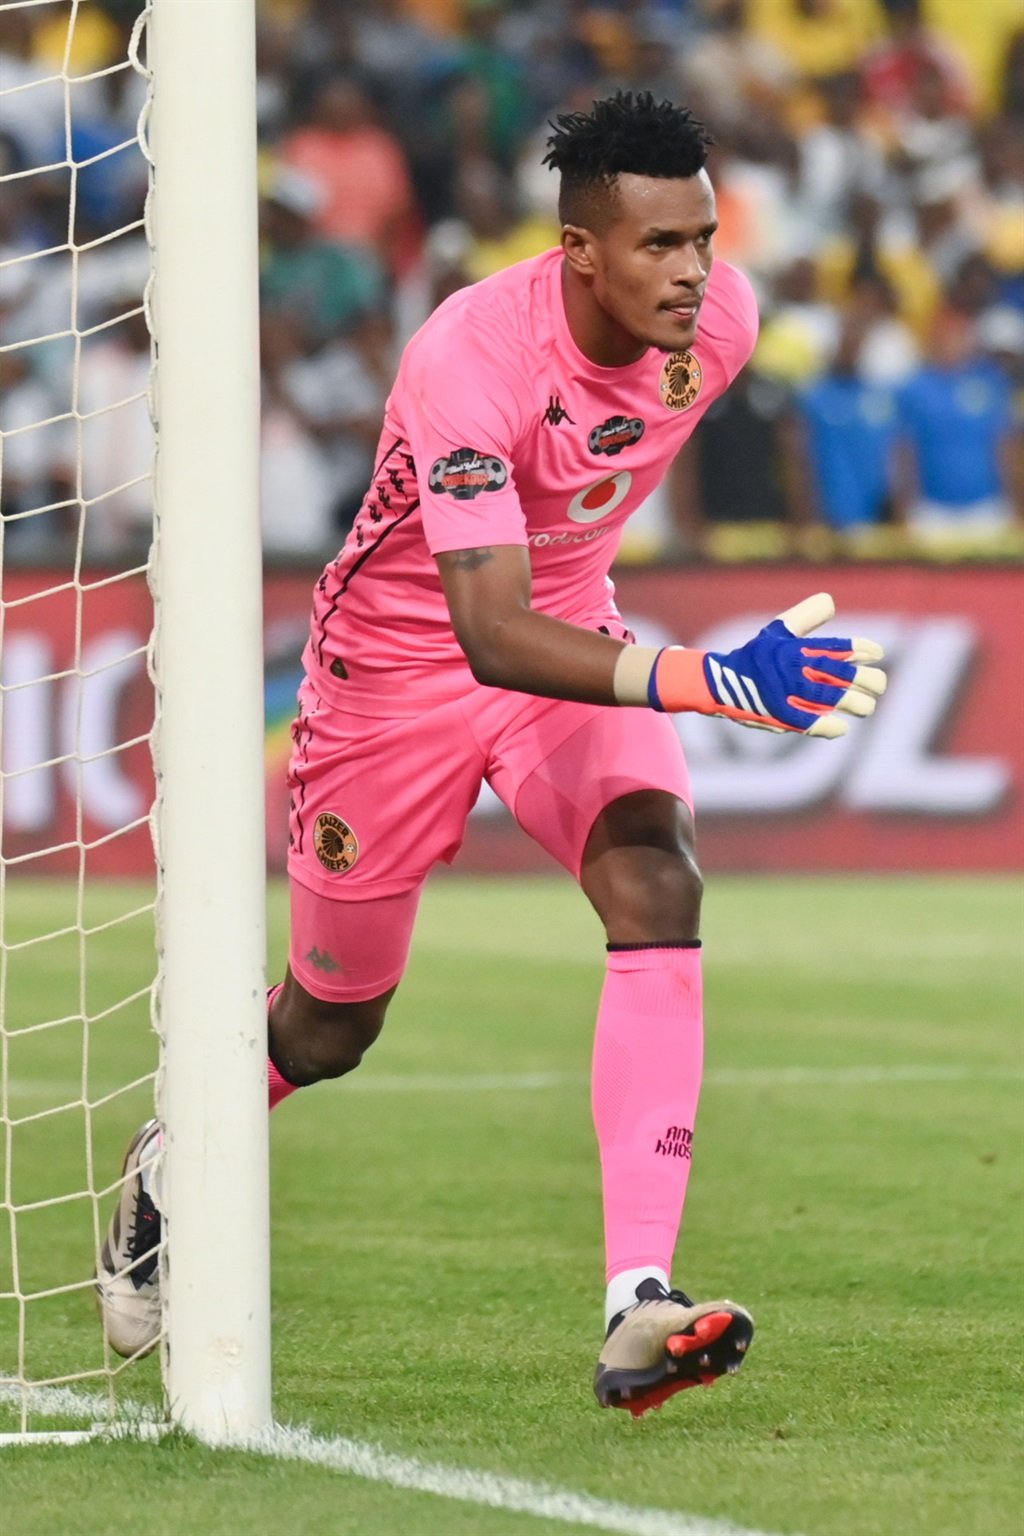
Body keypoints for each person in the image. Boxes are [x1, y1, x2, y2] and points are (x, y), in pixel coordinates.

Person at [95, 92, 885, 1418]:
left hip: (570, 633)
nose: (693, 271)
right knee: (335, 1021)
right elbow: (489, 628)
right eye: (658, 247)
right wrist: (707, 678)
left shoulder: (724, 325)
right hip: (397, 675)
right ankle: (173, 1166)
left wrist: (665, 660)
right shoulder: (473, 357)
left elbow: (592, 533)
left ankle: (640, 1301)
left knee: (658, 881)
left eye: (701, 238)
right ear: (579, 248)